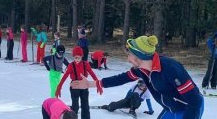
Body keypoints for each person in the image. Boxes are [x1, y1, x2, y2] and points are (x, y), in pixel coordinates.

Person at [71, 35, 204, 119]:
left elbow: (195, 101)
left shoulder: (170, 68)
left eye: (129, 55)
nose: (128, 59)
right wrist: (90, 84)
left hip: (190, 109)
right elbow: (120, 78)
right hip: (171, 108)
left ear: (139, 56)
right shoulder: (142, 70)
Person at [55, 46, 102, 119]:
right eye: (75, 57)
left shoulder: (86, 64)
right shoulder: (71, 65)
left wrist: (98, 84)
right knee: (75, 107)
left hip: (84, 85)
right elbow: (65, 77)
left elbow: (92, 74)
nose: (77, 59)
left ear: (82, 57)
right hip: (75, 86)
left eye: (79, 57)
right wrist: (59, 87)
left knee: (85, 106)